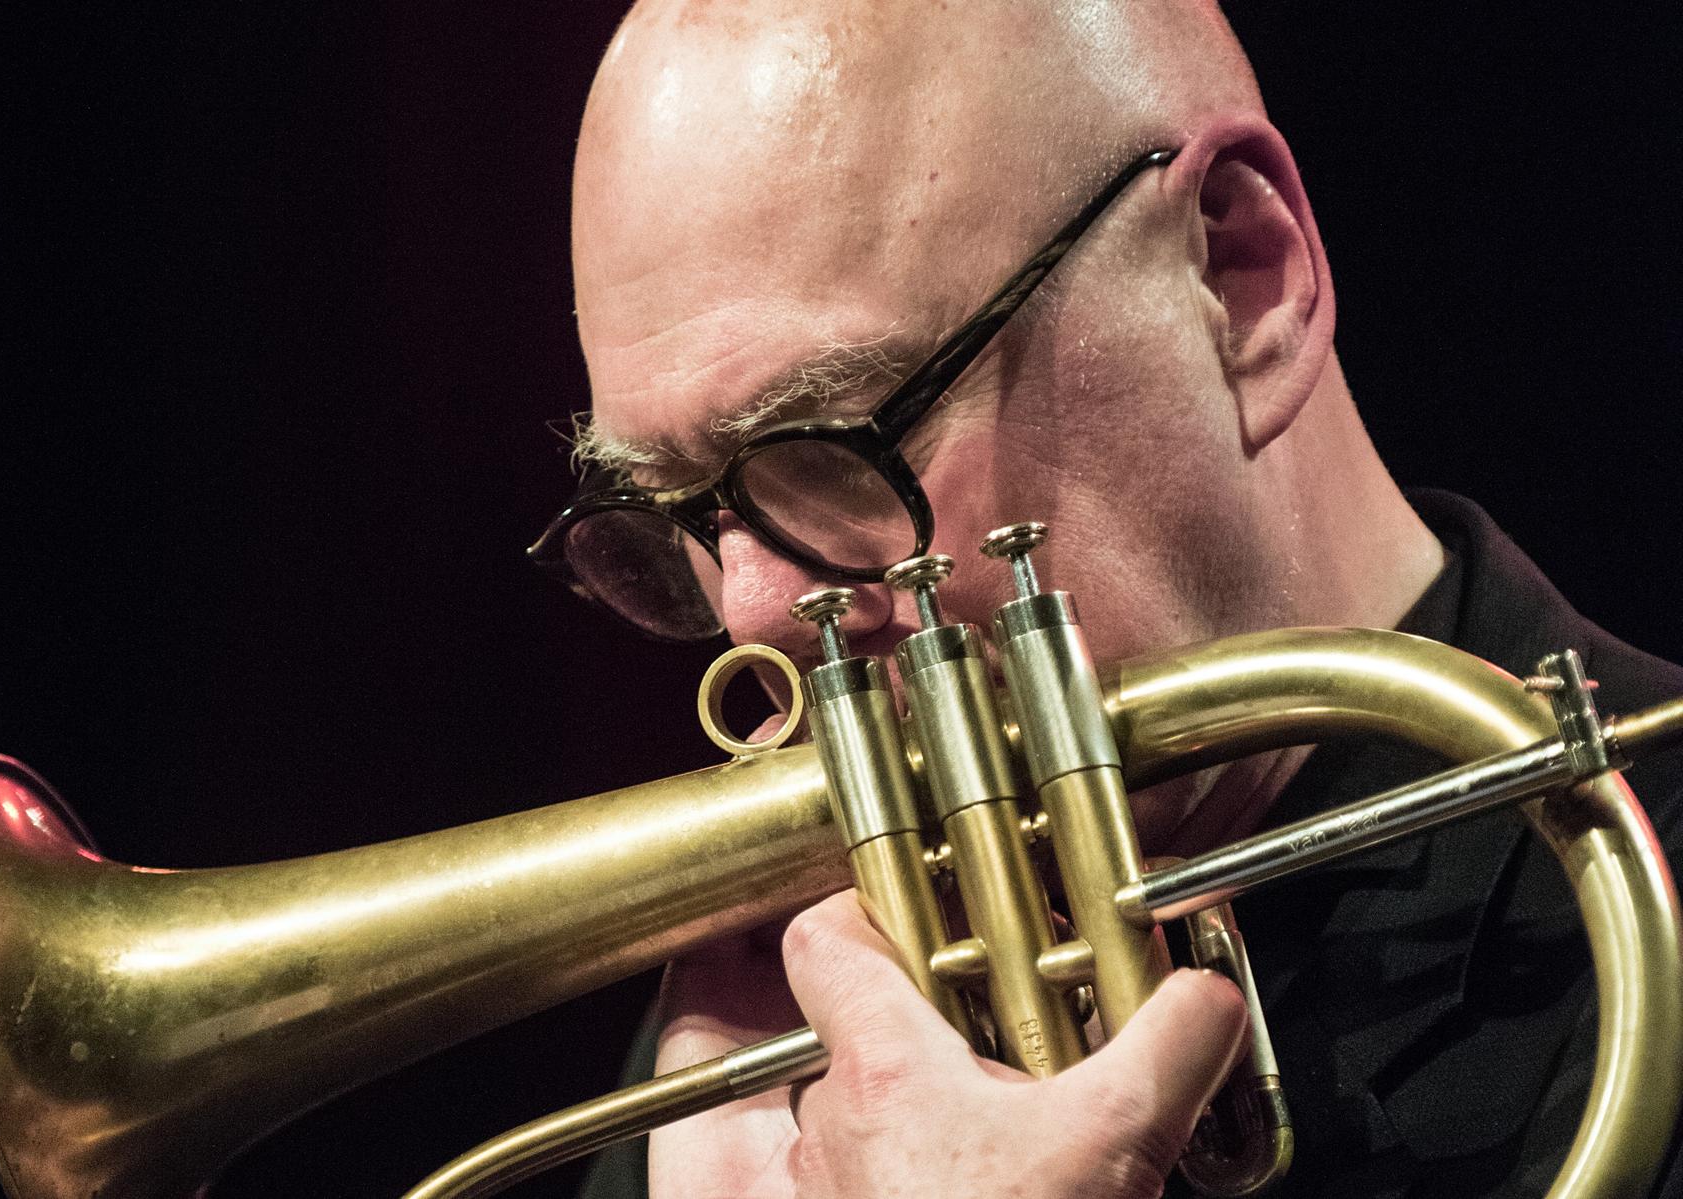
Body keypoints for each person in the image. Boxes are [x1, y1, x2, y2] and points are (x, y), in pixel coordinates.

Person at [528, 1, 1683, 1195]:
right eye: (675, 506)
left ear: (1240, 280)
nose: (756, 611)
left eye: (831, 445)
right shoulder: (776, 1034)